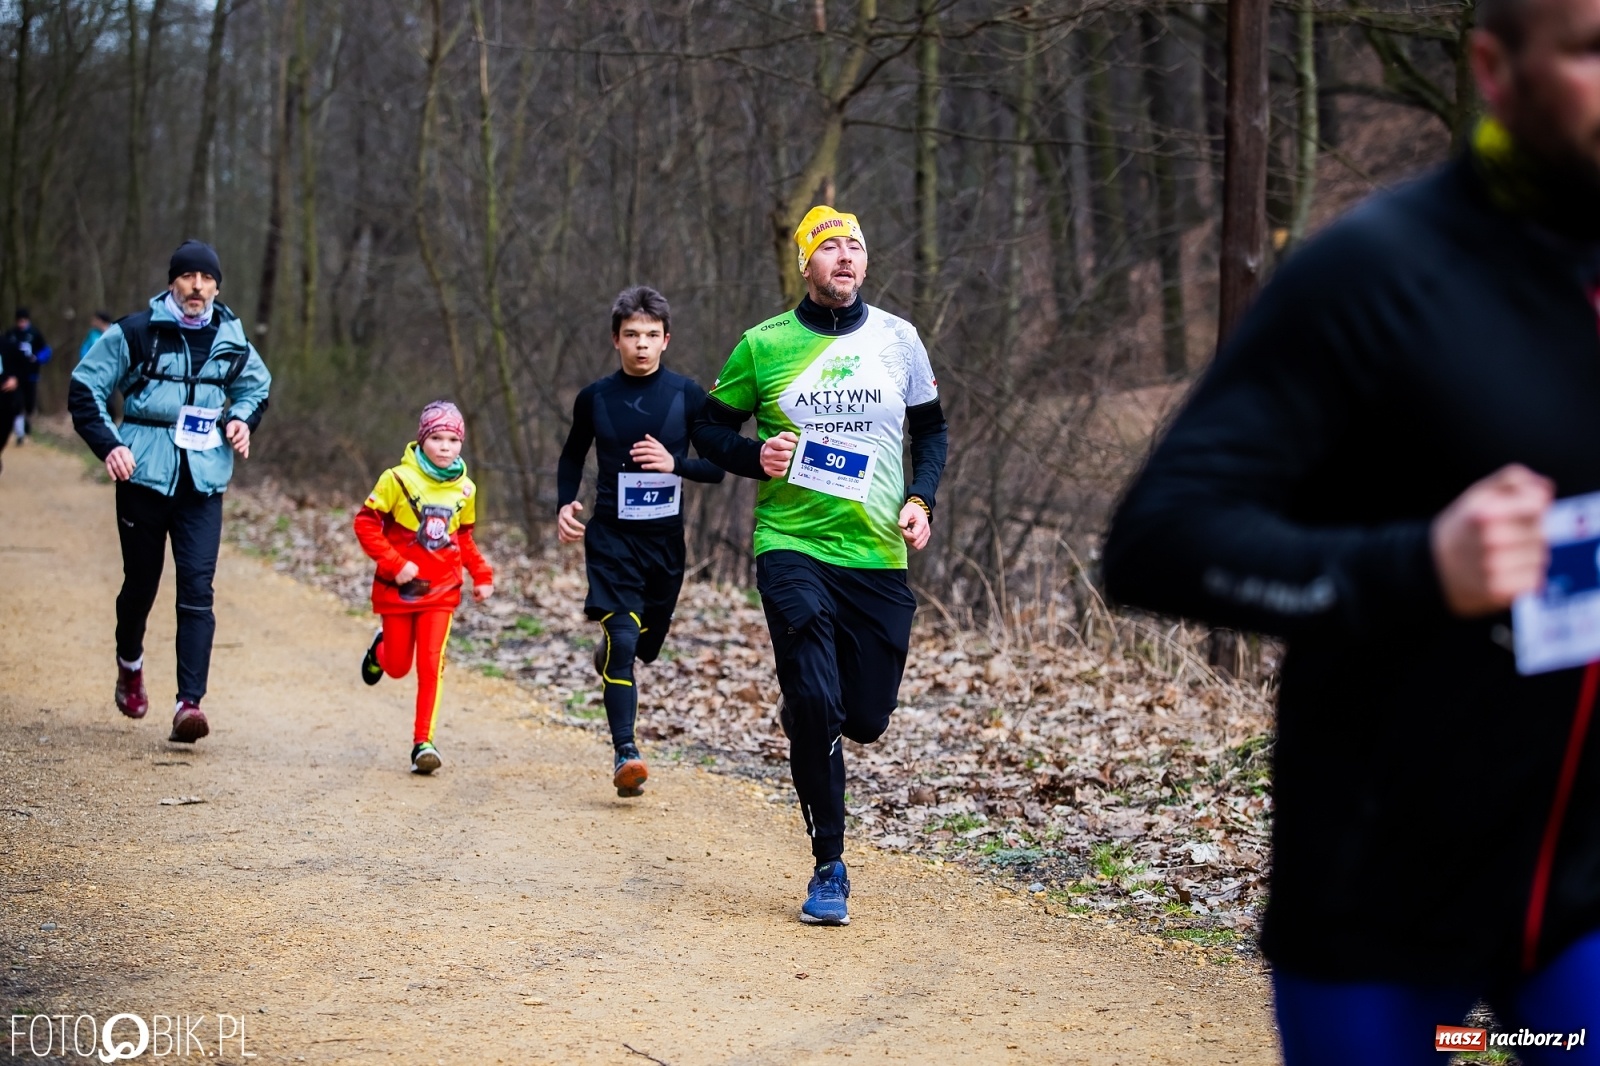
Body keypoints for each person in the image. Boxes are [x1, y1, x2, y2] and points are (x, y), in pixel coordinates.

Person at [1099, 0, 1600, 1058]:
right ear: (1493, 70)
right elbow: (1158, 538)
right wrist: (1414, 565)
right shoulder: (1374, 273)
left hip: (1581, 909)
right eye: (1594, 50)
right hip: (1383, 903)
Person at [692, 206, 947, 926]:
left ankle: (814, 713)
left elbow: (931, 430)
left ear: (865, 263)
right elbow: (707, 427)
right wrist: (753, 455)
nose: (844, 256)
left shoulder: (899, 340)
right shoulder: (763, 344)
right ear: (805, 264)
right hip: (792, 544)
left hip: (875, 552)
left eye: (854, 246)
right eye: (828, 246)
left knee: (862, 718)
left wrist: (922, 498)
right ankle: (829, 865)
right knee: (817, 702)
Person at [69, 240, 272, 743]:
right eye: (188, 277)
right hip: (141, 473)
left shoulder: (232, 339)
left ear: (217, 287)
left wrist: (243, 420)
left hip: (202, 481)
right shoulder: (135, 333)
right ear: (172, 283)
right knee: (141, 584)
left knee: (197, 590)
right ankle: (130, 663)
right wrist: (109, 445)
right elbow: (84, 388)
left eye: (206, 279)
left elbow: (257, 387)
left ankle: (189, 704)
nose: (197, 286)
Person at [556, 285, 726, 797]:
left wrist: (677, 464)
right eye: (632, 335)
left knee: (646, 646)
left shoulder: (687, 395)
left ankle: (614, 654)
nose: (642, 345)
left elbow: (717, 468)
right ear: (616, 340)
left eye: (651, 335)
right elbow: (571, 456)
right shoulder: (594, 399)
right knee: (625, 642)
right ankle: (626, 752)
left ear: (667, 339)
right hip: (611, 541)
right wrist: (565, 503)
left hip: (665, 548)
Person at [355, 401, 494, 775]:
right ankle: (379, 650)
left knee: (431, 665)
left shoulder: (466, 488)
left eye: (453, 439)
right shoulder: (397, 479)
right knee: (399, 666)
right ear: (422, 439)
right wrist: (396, 564)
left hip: (442, 591)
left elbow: (463, 538)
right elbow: (366, 524)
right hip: (400, 590)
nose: (446, 447)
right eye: (437, 438)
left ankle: (423, 743)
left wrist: (481, 574)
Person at [1, 307, 51, 444]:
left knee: (29, 404)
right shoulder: (11, 334)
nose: (21, 323)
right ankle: (20, 433)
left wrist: (38, 358)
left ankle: (26, 423)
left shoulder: (35, 333)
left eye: (23, 321)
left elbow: (46, 351)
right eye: (19, 321)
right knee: (17, 403)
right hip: (14, 377)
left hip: (31, 375)